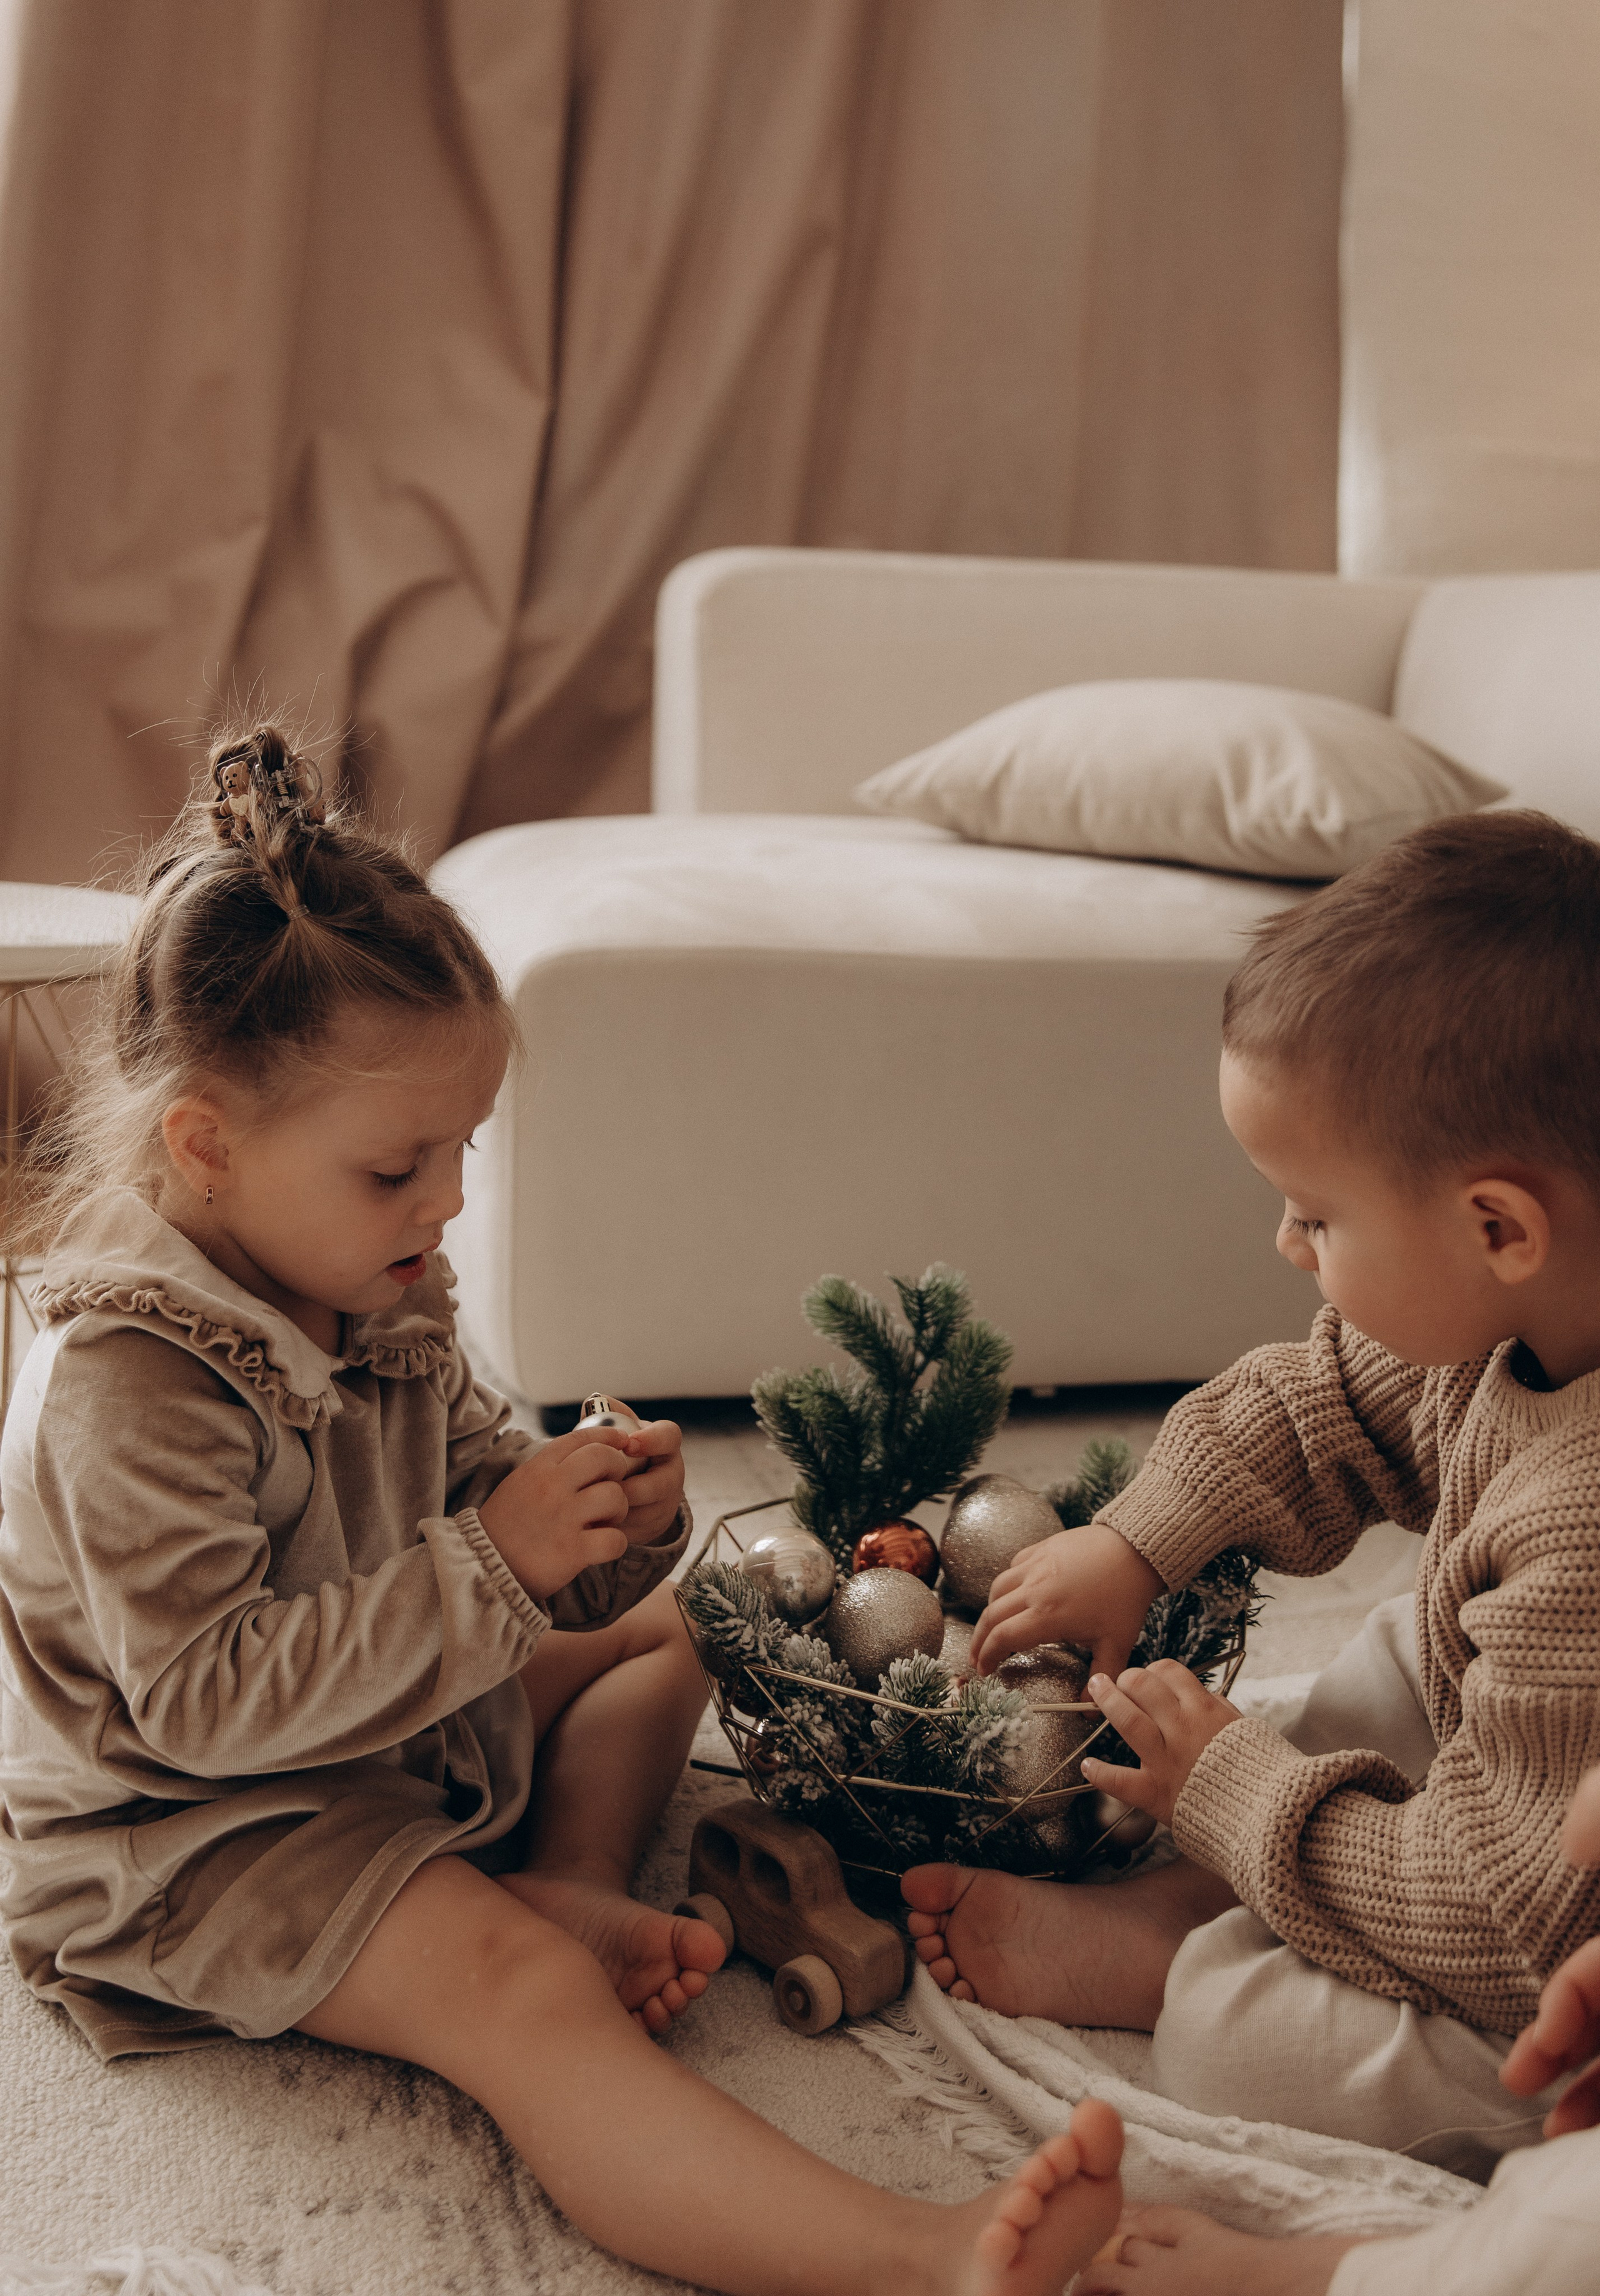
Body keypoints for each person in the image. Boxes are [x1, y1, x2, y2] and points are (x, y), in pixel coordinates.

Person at [0, 723, 1126, 2296]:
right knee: (518, 1987)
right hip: (203, 1828)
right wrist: (496, 1553)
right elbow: (199, 1699)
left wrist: (611, 1525)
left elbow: (501, 1531)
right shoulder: (129, 1377)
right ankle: (915, 2251)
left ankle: (579, 1868)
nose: (447, 1199)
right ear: (204, 1143)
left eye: (463, 1147)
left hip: (384, 1725)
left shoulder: (370, 1273)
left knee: (693, 1615)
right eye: (400, 1163)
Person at [903, 810, 1600, 2181]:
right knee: (1411, 1637)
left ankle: (1197, 1930)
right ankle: (1264, 1870)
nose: (1283, 1244)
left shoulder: (1581, 1522)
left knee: (1233, 2037)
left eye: (1315, 1215)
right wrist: (1132, 1539)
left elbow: (1500, 1926)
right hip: (1525, 1779)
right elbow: (1306, 1405)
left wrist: (1231, 1785)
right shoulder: (1510, 1331)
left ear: (1497, 1227)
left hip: (1543, 1953)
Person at [1079, 1759, 1600, 2294]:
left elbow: (1498, 1918)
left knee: (1227, 2043)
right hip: (1533, 1939)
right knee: (1377, 1695)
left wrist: (1252, 1797)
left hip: (1511, 1967)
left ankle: (1309, 2277)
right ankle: (1233, 1890)